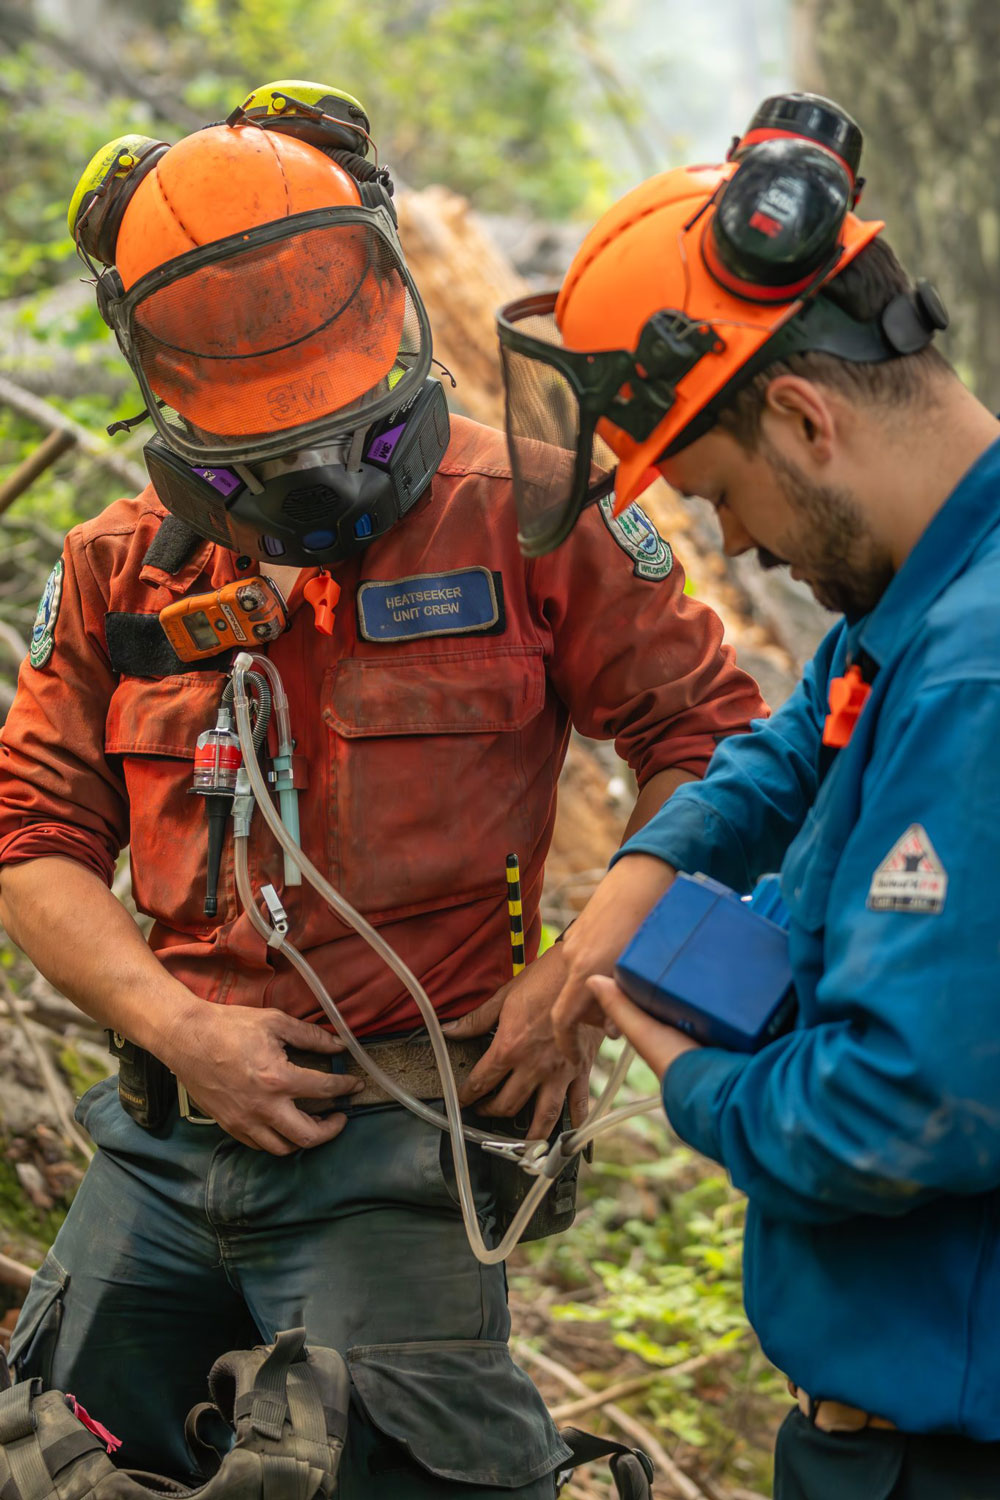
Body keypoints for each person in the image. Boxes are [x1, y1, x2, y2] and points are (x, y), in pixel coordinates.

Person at [0, 83, 764, 1497]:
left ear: (382, 288)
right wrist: (179, 1027)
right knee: (51, 1452)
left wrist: (584, 974)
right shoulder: (126, 570)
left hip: (405, 1149)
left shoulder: (536, 510)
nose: (310, 472)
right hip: (163, 1146)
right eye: (263, 445)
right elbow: (31, 838)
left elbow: (718, 751)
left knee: (392, 1467)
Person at [497, 92, 1000, 1498]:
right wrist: (623, 905)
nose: (734, 543)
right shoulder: (935, 585)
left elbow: (887, 1117)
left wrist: (678, 1063)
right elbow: (794, 746)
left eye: (719, 492)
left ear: (801, 414)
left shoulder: (976, 675)